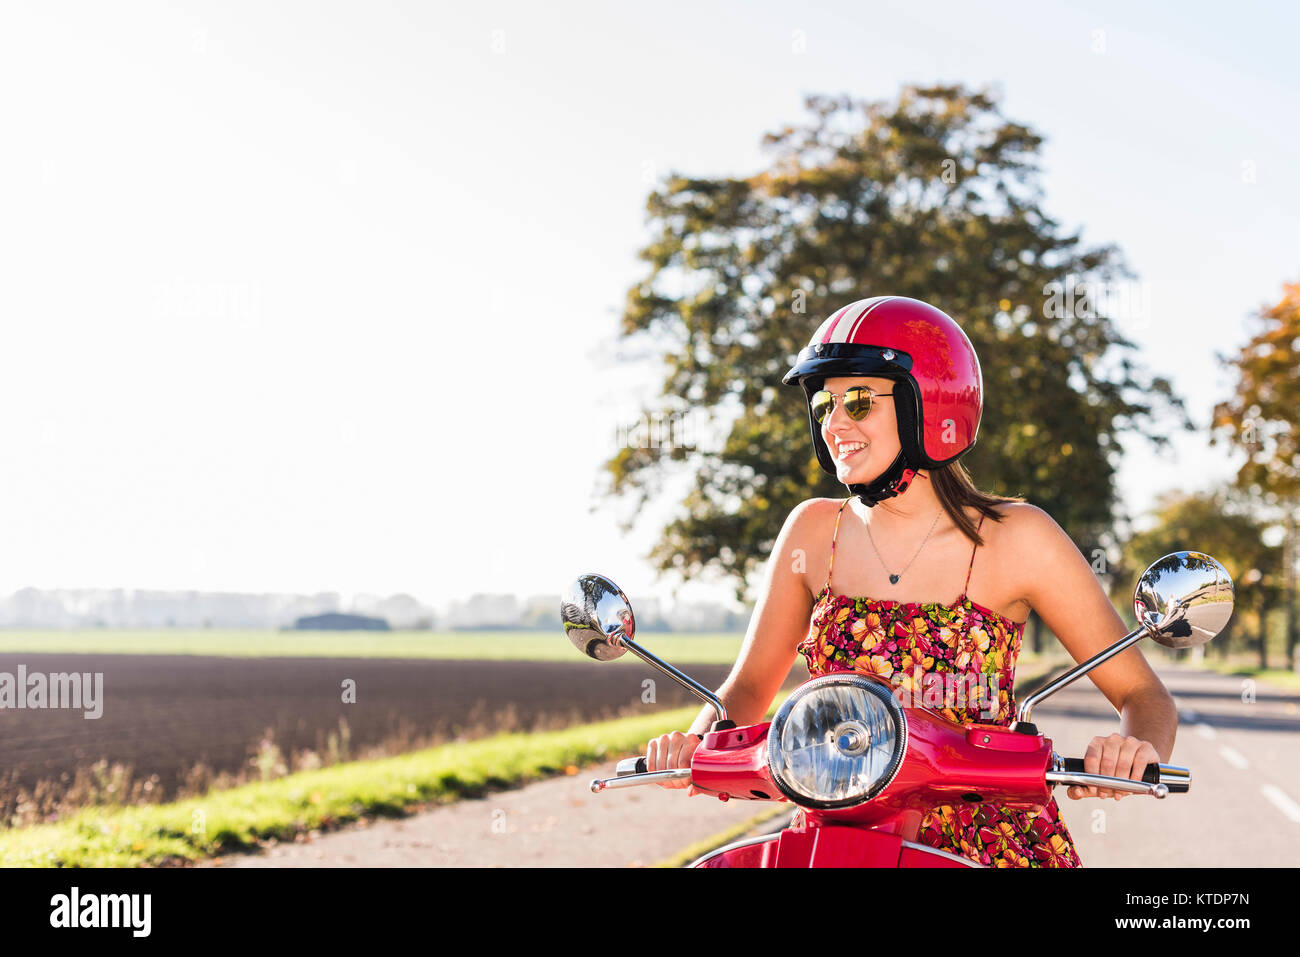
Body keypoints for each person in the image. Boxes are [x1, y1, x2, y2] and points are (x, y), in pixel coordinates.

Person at [642, 295, 1178, 867]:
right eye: (825, 405)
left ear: (931, 406)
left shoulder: (1019, 537)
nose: (834, 424)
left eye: (857, 400)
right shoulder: (811, 531)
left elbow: (1143, 695)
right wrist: (696, 742)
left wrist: (1132, 751)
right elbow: (746, 690)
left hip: (986, 843)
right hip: (834, 838)